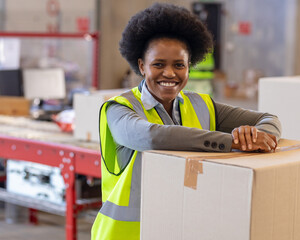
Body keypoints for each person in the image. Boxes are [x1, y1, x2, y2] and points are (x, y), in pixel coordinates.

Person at [91, 3, 281, 240]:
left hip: (179, 229)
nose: (169, 73)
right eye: (158, 64)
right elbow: (152, 137)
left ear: (189, 67)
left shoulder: (202, 105)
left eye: (179, 65)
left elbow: (269, 119)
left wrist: (257, 136)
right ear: (141, 66)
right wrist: (232, 142)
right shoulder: (120, 108)